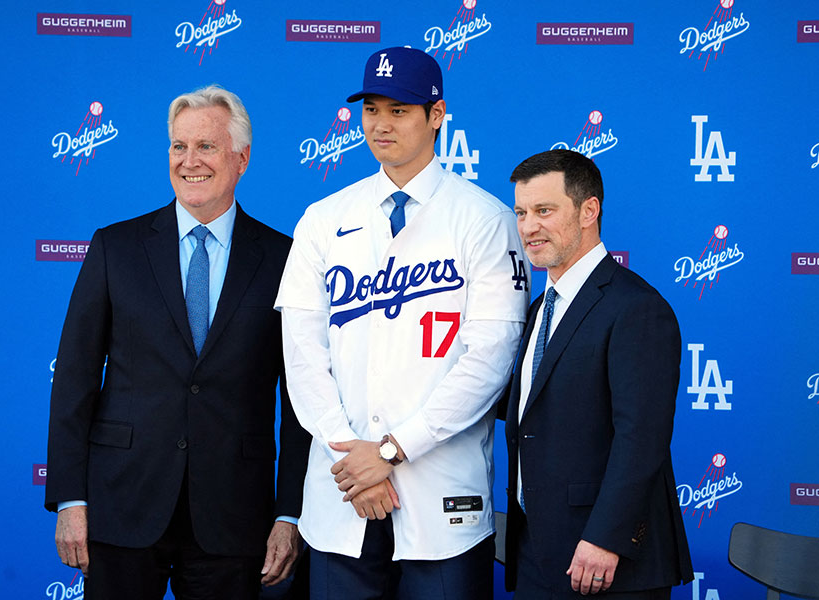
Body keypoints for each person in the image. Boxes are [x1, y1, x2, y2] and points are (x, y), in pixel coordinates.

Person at [275, 46, 530, 599]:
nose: (380, 124)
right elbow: (302, 356)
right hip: (343, 493)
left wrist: (390, 451)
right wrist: (354, 458)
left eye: (400, 110)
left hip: (441, 497)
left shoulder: (485, 220)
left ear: (436, 116)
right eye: (372, 109)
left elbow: (489, 361)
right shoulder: (322, 220)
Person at [45, 85, 310, 600]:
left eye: (206, 146)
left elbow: (301, 399)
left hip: (235, 514)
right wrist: (69, 500)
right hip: (122, 505)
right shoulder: (114, 248)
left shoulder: (285, 258)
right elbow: (74, 380)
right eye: (178, 146)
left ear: (242, 157)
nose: (190, 161)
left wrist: (289, 511)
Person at [503, 149, 694, 599]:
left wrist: (606, 538)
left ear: (589, 210)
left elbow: (641, 437)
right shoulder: (537, 311)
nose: (529, 226)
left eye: (544, 210)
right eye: (522, 212)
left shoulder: (637, 308)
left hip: (607, 560)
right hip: (538, 552)